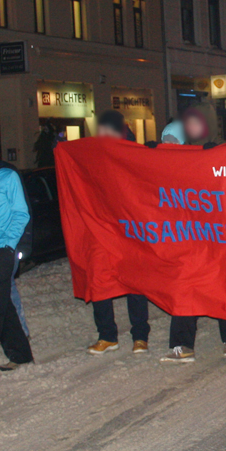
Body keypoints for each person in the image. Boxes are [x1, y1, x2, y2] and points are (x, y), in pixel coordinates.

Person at [161, 103, 226, 363]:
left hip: (215, 239)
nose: (169, 145)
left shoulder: (212, 155)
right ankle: (182, 345)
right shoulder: (164, 166)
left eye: (174, 140)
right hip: (185, 240)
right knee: (184, 289)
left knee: (220, 287)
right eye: (166, 140)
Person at [86, 110, 152, 356]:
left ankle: (140, 336)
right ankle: (107, 336)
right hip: (102, 229)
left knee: (135, 283)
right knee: (100, 281)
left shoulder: (134, 155)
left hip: (131, 230)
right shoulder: (96, 155)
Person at [0, 137, 32, 371]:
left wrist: (9, 245)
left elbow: (21, 213)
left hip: (2, 250)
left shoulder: (7, 177)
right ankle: (20, 354)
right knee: (3, 305)